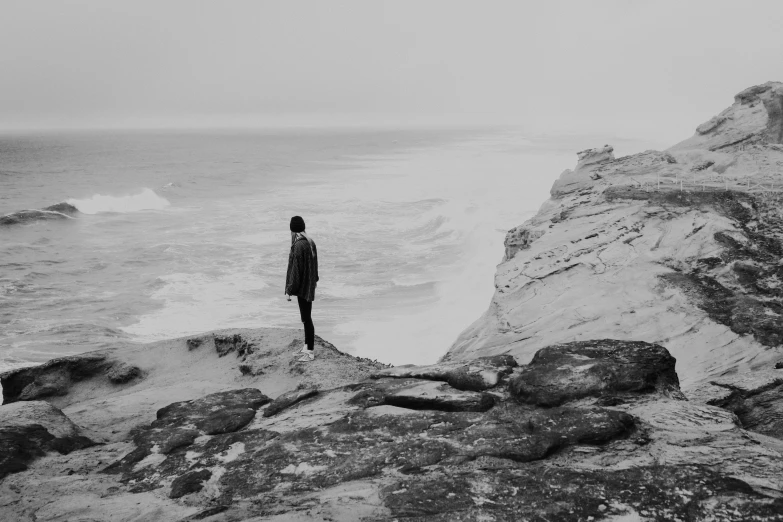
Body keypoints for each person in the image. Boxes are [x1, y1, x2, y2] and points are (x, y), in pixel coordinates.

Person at [285, 215, 319, 362]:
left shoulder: (298, 245)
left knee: (306, 319)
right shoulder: (310, 242)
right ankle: (306, 347)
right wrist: (314, 281)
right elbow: (315, 266)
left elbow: (295, 270)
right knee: (306, 318)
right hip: (309, 285)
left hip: (303, 287)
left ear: (292, 230)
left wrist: (290, 289)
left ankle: (310, 352)